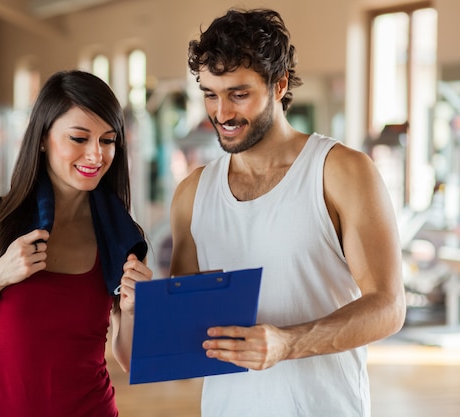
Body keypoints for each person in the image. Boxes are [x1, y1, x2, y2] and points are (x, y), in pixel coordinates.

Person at [169, 8, 406, 417]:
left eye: (239, 94)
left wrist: (287, 343)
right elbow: (184, 320)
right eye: (211, 94)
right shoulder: (192, 192)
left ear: (278, 86)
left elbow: (388, 306)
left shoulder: (342, 171)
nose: (221, 113)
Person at [0, 70, 153, 417]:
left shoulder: (119, 236)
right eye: (79, 138)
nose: (96, 155)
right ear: (43, 138)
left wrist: (135, 310)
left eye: (107, 141)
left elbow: (129, 359)